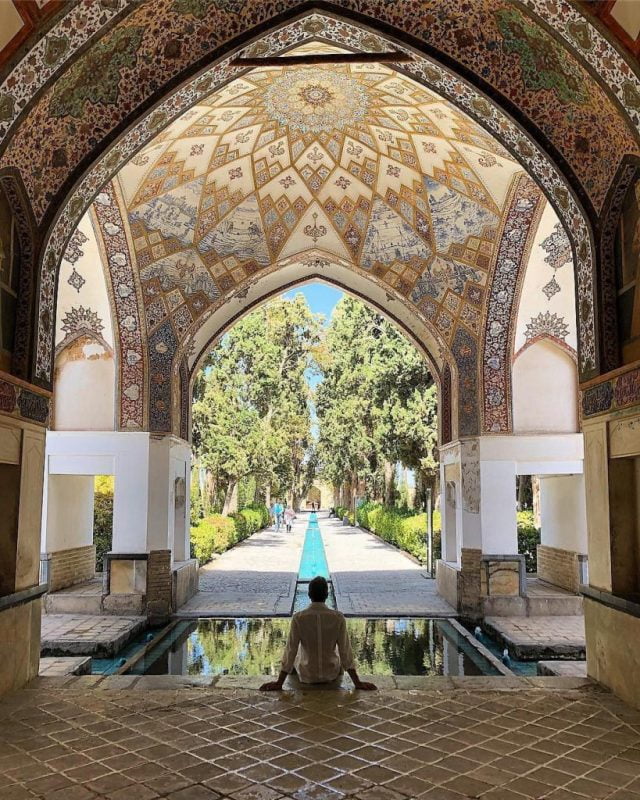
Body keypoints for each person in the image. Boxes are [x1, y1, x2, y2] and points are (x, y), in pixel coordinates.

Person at [260, 576, 377, 691]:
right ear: (327, 595)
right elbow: (345, 652)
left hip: (306, 675)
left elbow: (291, 650)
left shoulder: (299, 618)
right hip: (331, 675)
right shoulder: (338, 618)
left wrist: (279, 683)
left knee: (297, 654)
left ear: (309, 595)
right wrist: (357, 683)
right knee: (337, 654)